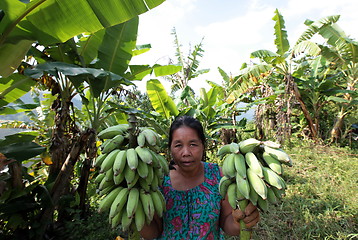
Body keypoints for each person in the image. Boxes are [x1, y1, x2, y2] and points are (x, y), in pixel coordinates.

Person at [140, 115, 260, 239]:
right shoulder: (158, 181)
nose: (186, 153)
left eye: (193, 144)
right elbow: (154, 233)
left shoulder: (218, 176)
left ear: (203, 145)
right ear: (170, 147)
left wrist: (239, 221)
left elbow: (226, 222)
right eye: (178, 145)